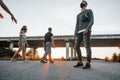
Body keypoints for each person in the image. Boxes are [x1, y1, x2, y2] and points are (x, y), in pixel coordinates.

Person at [74, 0, 94, 69]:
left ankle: (88, 63)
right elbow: (76, 25)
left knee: (87, 46)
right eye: (81, 2)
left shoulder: (89, 11)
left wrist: (87, 28)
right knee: (76, 46)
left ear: (86, 4)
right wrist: (75, 33)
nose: (82, 3)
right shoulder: (78, 15)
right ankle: (80, 62)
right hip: (79, 32)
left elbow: (92, 20)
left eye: (83, 2)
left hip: (86, 30)